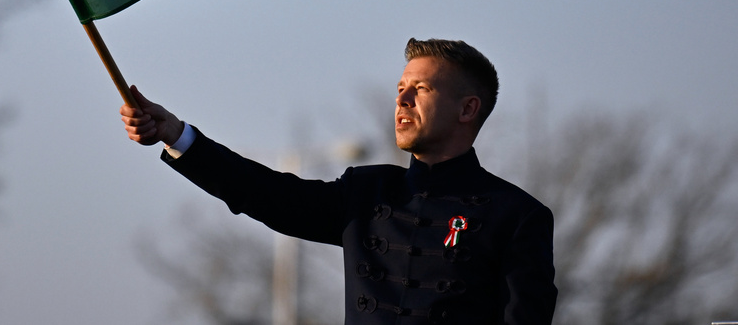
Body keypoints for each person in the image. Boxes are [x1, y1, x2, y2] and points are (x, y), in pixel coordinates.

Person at [120, 38, 557, 324]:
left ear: (467, 109)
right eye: (400, 88)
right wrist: (177, 135)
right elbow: (266, 194)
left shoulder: (517, 216)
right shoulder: (366, 193)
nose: (401, 99)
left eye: (420, 89)